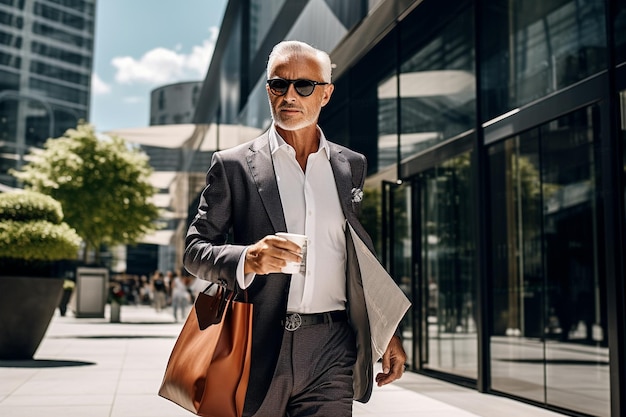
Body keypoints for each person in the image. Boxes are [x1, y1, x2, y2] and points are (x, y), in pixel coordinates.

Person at [184, 40, 407, 417]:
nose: (290, 95)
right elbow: (194, 249)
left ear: (326, 94)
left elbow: (352, 256)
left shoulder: (350, 165)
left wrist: (385, 332)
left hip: (332, 347)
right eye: (278, 85)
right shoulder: (234, 165)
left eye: (304, 85)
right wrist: (248, 257)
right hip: (255, 344)